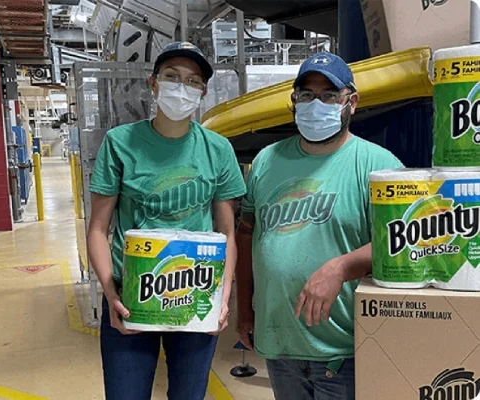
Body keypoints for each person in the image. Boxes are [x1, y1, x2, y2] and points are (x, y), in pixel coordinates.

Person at [235, 52, 404, 399]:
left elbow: (400, 244)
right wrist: (244, 310)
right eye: (307, 95)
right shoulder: (267, 160)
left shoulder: (378, 166)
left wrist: (342, 266)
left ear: (351, 103)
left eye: (329, 95)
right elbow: (247, 235)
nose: (316, 104)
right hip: (280, 346)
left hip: (346, 349)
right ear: (294, 101)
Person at [87, 41, 247, 400]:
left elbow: (226, 234)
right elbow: (98, 229)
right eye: (172, 77)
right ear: (153, 83)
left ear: (203, 92)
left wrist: (222, 299)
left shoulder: (217, 148)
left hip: (194, 290)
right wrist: (109, 293)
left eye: (192, 81)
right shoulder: (120, 143)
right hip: (131, 295)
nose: (181, 87)